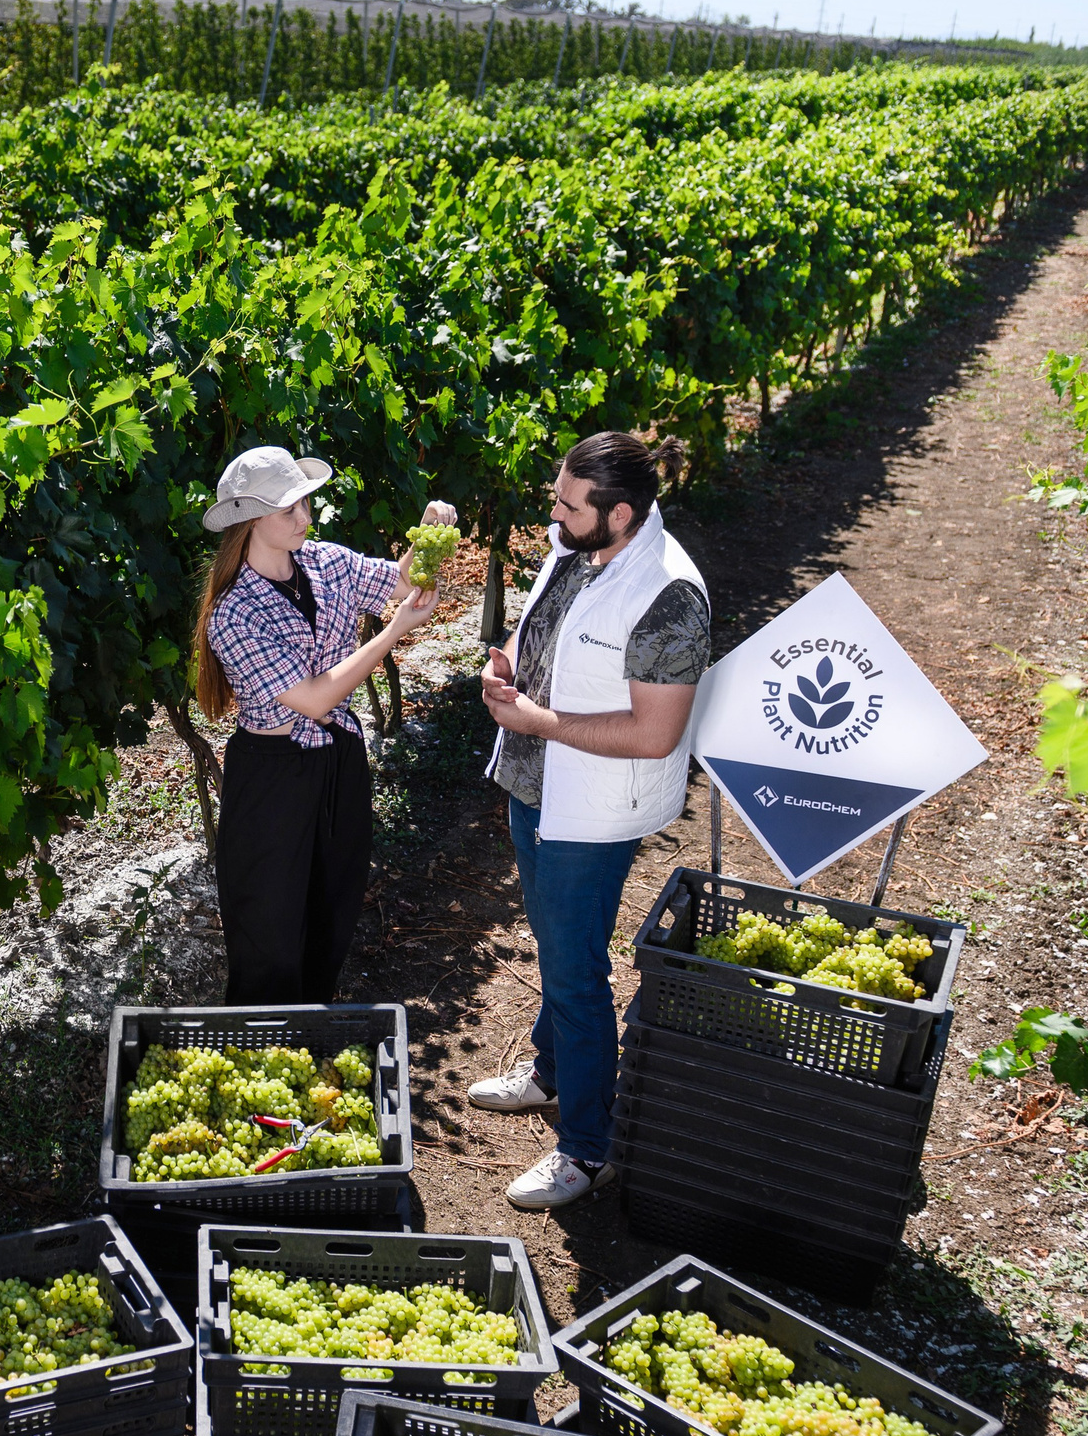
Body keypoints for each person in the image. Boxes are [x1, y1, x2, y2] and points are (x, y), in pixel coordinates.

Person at [467, 432, 710, 1210]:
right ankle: (550, 1071)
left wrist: (540, 721)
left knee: (575, 973)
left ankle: (586, 1149)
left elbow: (655, 733)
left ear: (621, 513)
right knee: (554, 946)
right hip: (534, 784)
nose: (554, 514)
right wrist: (509, 663)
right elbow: (545, 629)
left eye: (568, 505)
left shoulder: (670, 596)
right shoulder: (577, 548)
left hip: (594, 810)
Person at [192, 446, 456, 1005]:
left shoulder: (327, 563)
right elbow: (312, 699)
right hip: (272, 779)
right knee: (267, 932)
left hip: (338, 761)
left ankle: (312, 1031)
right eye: (288, 509)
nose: (304, 517)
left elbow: (399, 580)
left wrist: (429, 532)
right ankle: (261, 1044)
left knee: (331, 914)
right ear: (249, 518)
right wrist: (392, 634)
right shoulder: (233, 613)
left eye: (305, 503)